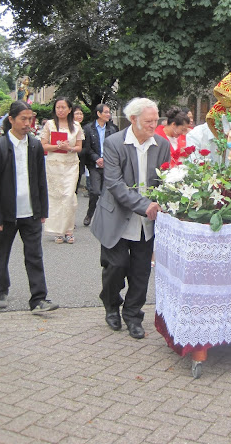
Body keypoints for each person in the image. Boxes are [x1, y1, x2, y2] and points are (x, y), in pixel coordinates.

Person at [90, 97, 170, 339]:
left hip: (148, 221)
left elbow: (166, 180)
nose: (153, 125)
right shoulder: (114, 143)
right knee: (115, 266)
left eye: (156, 120)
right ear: (133, 119)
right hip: (117, 217)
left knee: (140, 271)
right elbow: (114, 184)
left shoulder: (162, 144)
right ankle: (111, 305)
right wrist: (145, 205)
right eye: (148, 121)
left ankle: (133, 315)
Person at [0, 100, 58, 313]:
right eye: (23, 119)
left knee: (34, 255)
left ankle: (38, 299)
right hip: (7, 213)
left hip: (31, 211)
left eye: (30, 119)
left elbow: (40, 180)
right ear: (11, 120)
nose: (28, 123)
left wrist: (42, 210)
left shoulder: (35, 145)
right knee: (2, 252)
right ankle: (0, 290)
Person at [40, 97, 84, 244]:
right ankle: (58, 231)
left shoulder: (76, 126)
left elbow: (79, 147)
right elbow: (43, 145)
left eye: (63, 107)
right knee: (56, 197)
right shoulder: (50, 125)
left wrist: (68, 148)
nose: (60, 110)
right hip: (54, 164)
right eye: (58, 107)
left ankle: (69, 229)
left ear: (70, 109)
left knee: (69, 196)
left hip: (71, 164)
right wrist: (57, 147)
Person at [82, 104, 118, 226]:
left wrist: (106, 159)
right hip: (94, 165)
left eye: (109, 112)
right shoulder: (88, 129)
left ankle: (105, 217)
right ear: (99, 114)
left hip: (109, 165)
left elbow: (115, 147)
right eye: (106, 112)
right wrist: (97, 158)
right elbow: (87, 148)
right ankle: (89, 214)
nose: (108, 115)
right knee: (95, 191)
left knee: (108, 192)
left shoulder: (113, 129)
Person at [73, 105, 87, 194]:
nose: (80, 116)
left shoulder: (84, 129)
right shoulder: (68, 128)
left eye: (81, 114)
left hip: (80, 161)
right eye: (77, 114)